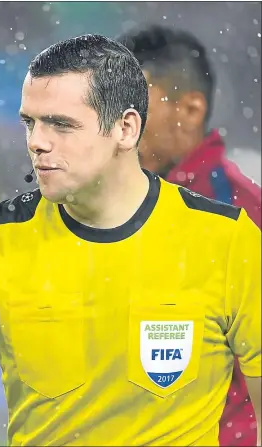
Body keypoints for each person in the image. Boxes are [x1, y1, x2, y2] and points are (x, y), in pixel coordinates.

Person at [0, 35, 261, 446]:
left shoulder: (229, 237)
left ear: (125, 128)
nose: (37, 141)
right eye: (30, 123)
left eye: (61, 124)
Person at [118, 24, 261, 446]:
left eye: (133, 105)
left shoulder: (244, 216)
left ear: (190, 110)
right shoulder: (96, 207)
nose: (119, 124)